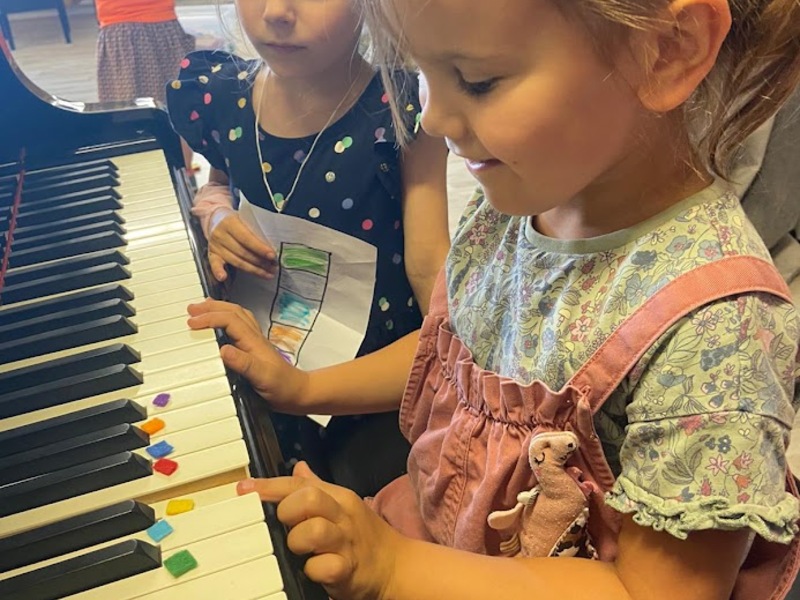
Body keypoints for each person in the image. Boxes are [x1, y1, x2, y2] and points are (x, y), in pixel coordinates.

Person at [187, 0, 800, 598]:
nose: (433, 121)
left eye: (476, 81)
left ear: (668, 50)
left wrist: (393, 569)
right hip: (435, 536)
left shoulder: (720, 331)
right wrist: (305, 388)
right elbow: (460, 354)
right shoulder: (521, 196)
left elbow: (655, 590)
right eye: (420, 73)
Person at [166, 0, 450, 496]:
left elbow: (432, 278)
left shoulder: (401, 110)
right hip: (259, 354)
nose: (277, 11)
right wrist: (217, 217)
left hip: (371, 386)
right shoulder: (224, 94)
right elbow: (217, 185)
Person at [95, 0, 196, 171]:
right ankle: (184, 173)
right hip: (163, 29)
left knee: (126, 113)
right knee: (178, 107)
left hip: (120, 33)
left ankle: (141, 172)